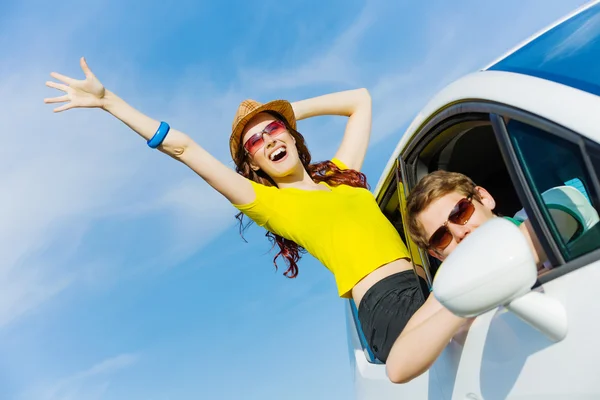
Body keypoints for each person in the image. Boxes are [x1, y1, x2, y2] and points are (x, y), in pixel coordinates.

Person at [44, 57, 429, 371]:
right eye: (255, 143)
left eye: (274, 131)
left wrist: (280, 115)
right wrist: (109, 100)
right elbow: (184, 148)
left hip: (424, 280)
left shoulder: (342, 177)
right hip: (386, 304)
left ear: (293, 136)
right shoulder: (268, 204)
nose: (268, 141)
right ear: (255, 165)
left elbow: (360, 100)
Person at [385, 169, 598, 383]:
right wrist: (461, 301)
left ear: (484, 198)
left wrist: (463, 296)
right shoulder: (454, 285)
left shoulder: (554, 200)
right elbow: (398, 368)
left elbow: (530, 247)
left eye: (460, 212)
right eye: (441, 237)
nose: (460, 233)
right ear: (437, 254)